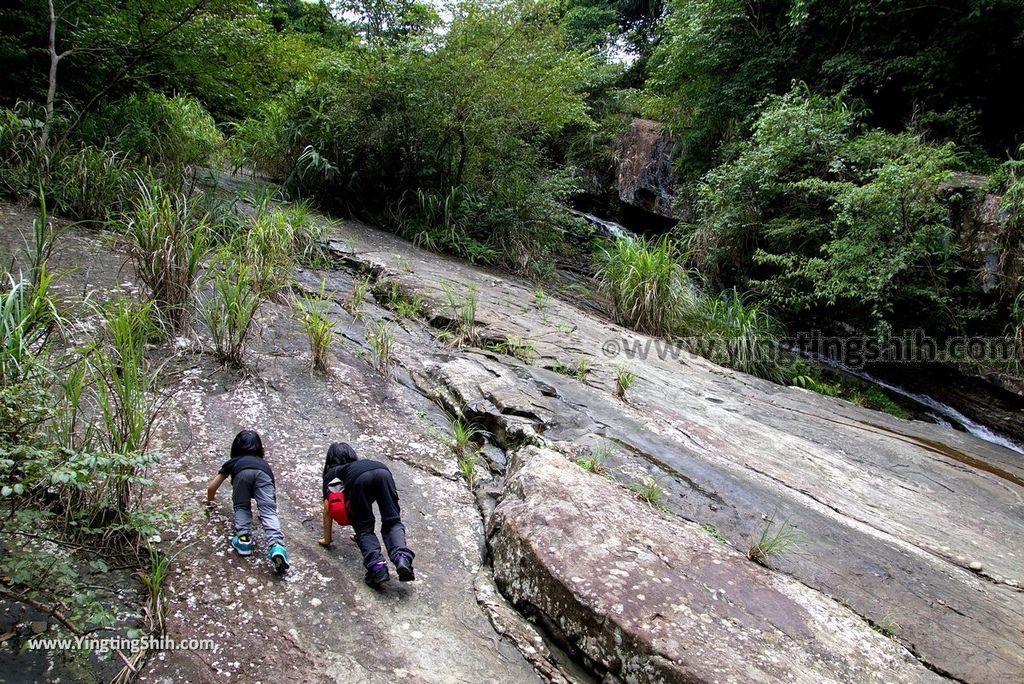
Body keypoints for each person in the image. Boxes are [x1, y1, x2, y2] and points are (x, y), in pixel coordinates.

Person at [317, 442, 414, 587]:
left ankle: (378, 567)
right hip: (382, 471)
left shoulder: (333, 473)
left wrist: (327, 539)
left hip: (360, 480)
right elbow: (365, 502)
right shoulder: (359, 465)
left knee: (363, 527)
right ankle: (402, 557)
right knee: (392, 521)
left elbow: (328, 507)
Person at [206, 430, 290, 575]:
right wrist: (265, 512)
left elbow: (212, 487)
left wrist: (210, 500)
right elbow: (271, 496)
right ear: (259, 448)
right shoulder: (264, 464)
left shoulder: (234, 462)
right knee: (268, 511)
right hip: (263, 475)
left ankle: (244, 540)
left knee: (241, 507)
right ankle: (277, 546)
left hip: (241, 474)